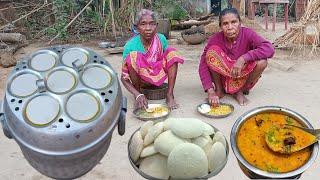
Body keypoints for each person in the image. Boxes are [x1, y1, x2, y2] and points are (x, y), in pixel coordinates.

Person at [198, 8, 275, 106]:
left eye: (234, 22)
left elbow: (269, 49)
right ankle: (220, 90)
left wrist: (243, 58)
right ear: (220, 26)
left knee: (262, 62)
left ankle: (239, 91)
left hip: (242, 77)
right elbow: (203, 64)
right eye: (225, 24)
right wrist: (210, 91)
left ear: (240, 23)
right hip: (223, 78)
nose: (230, 27)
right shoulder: (216, 39)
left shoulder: (248, 33)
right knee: (211, 53)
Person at [121, 9, 184, 110]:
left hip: (159, 73)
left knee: (172, 53)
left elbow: (167, 60)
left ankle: (169, 94)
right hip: (141, 80)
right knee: (132, 57)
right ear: (137, 27)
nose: (148, 28)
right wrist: (136, 94)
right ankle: (139, 95)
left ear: (156, 25)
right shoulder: (130, 45)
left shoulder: (161, 39)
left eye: (152, 24)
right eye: (143, 24)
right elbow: (123, 78)